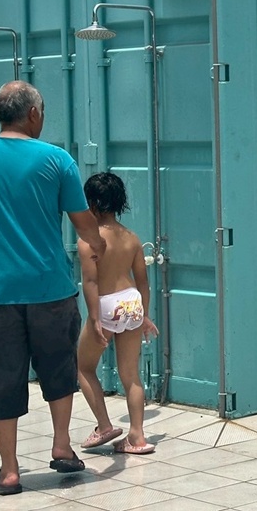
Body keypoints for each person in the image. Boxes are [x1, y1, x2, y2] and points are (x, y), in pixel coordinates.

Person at [0, 81, 107, 495]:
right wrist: (99, 244)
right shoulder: (57, 160)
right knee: (58, 369)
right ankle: (61, 447)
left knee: (1, 379)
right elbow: (83, 223)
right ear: (34, 114)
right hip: (49, 290)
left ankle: (8, 472)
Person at [76, 172, 159, 455]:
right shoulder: (131, 238)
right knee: (131, 374)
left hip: (107, 304)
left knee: (84, 367)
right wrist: (145, 315)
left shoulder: (89, 240)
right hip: (131, 302)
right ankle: (137, 436)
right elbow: (143, 282)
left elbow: (90, 282)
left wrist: (95, 317)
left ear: (91, 203)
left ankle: (104, 425)